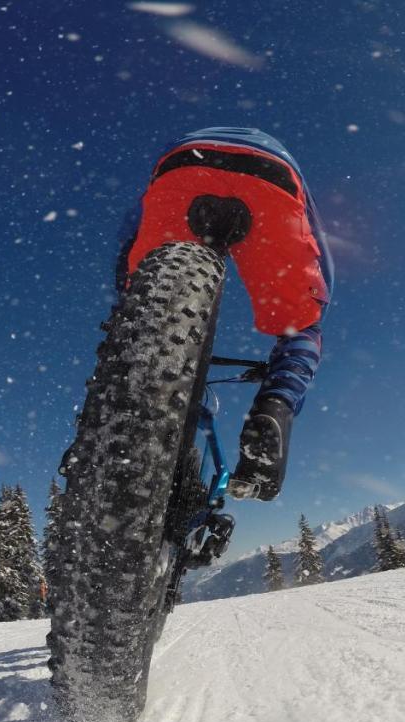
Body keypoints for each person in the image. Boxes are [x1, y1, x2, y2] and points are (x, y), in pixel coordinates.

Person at [115, 127, 334, 501]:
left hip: (181, 168)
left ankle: (123, 383)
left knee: (135, 292)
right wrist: (314, 300)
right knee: (304, 324)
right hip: (274, 178)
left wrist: (129, 295)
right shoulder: (278, 150)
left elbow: (131, 228)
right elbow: (315, 240)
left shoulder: (186, 141)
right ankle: (276, 405)